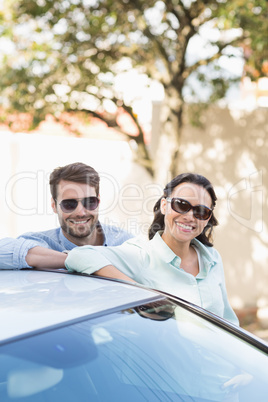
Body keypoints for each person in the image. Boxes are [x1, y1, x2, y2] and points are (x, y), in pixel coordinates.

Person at [65, 173, 239, 325]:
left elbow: (228, 321)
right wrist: (139, 291)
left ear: (207, 218)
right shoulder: (142, 254)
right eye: (181, 205)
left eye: (201, 211)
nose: (189, 217)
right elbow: (79, 256)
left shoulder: (212, 258)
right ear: (164, 205)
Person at [0, 162, 133, 270]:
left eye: (89, 202)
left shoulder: (124, 243)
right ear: (54, 205)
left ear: (98, 201)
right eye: (69, 204)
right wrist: (75, 260)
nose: (81, 212)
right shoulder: (42, 244)